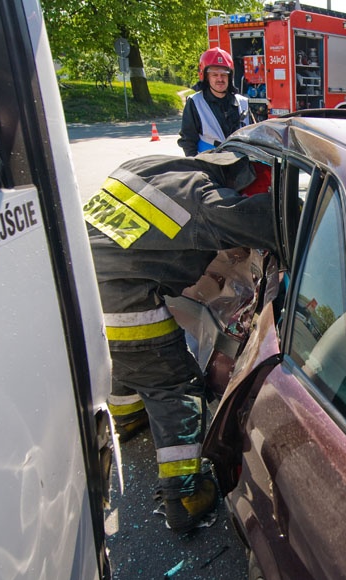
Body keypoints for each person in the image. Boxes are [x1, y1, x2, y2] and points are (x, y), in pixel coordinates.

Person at [83, 151, 276, 532]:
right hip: (127, 306)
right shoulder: (202, 197)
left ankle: (129, 417)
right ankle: (184, 497)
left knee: (127, 363)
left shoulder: (145, 165)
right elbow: (265, 221)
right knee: (173, 385)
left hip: (84, 294)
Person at [178, 48, 251, 157]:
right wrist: (193, 164)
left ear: (229, 77)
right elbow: (188, 140)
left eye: (224, 75)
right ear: (206, 77)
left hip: (239, 161)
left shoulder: (242, 102)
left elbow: (253, 136)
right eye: (214, 75)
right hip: (208, 162)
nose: (220, 79)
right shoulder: (195, 102)